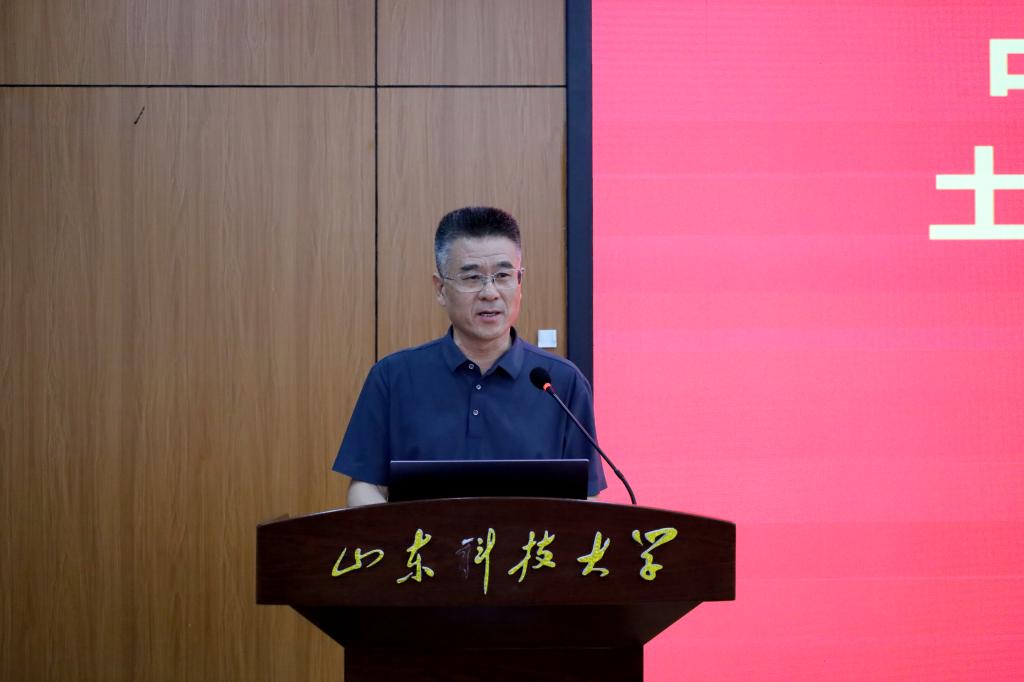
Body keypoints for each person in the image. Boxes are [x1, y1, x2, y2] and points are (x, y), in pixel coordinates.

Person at [334, 206, 607, 506]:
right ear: (440, 289)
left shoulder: (561, 383)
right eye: (473, 277)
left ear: (519, 283)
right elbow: (364, 486)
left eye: (503, 275)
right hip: (421, 539)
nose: (490, 293)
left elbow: (586, 495)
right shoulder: (392, 378)